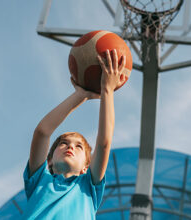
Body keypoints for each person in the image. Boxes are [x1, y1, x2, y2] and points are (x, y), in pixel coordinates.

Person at [22, 49, 127, 219]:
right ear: (49, 160)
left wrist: (107, 89)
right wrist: (80, 95)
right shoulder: (40, 180)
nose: (70, 146)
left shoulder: (88, 186)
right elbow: (42, 132)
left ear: (86, 167)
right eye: (63, 143)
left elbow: (104, 143)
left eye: (79, 146)